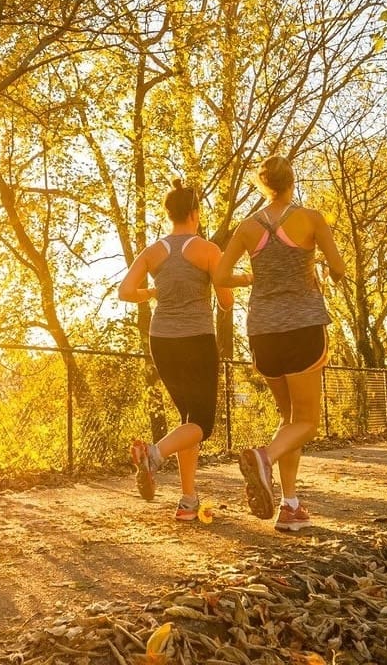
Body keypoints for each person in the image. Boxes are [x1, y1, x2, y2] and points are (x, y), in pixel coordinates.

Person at [214, 155, 345, 532]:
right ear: (292, 182)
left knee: (290, 420)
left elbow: (221, 275)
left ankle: (290, 506)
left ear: (262, 184)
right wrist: (322, 266)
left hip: (262, 332)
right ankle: (263, 457)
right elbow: (339, 269)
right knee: (308, 422)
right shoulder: (311, 219)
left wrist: (252, 280)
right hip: (302, 326)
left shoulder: (246, 227)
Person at [117, 179, 251, 521]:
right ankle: (154, 453)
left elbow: (126, 291)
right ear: (195, 213)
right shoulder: (207, 250)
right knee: (202, 424)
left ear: (169, 213)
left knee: (187, 422)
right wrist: (224, 290)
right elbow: (225, 301)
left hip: (161, 340)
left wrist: (152, 293)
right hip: (196, 340)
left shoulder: (153, 251)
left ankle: (188, 500)